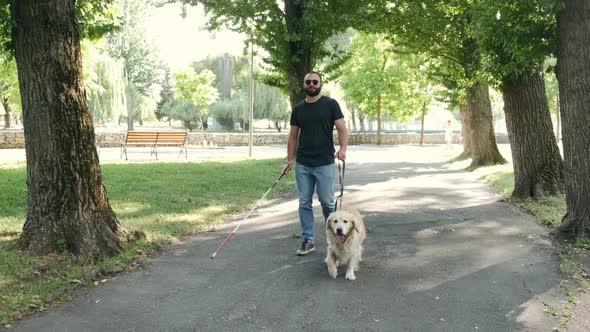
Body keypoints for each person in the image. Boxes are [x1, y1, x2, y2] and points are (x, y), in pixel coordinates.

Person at [282, 71, 348, 256]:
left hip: (324, 162)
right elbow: (293, 136)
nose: (311, 84)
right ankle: (308, 240)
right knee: (304, 202)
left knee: (327, 202)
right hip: (303, 163)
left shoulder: (331, 104)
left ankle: (336, 236)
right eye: (308, 82)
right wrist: (290, 160)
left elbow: (342, 129)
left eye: (315, 82)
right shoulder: (298, 109)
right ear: (304, 85)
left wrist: (342, 149)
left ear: (321, 84)